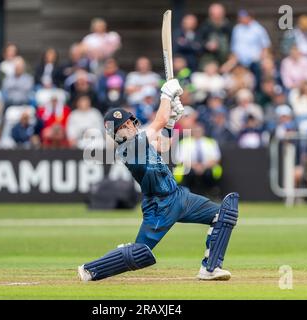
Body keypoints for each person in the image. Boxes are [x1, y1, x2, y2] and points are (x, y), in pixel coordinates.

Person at [78, 79, 239, 282]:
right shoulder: (128, 148)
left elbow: (163, 145)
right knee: (140, 253)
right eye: (123, 125)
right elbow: (159, 121)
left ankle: (210, 268)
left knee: (224, 214)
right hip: (159, 206)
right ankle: (91, 269)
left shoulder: (139, 141)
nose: (129, 125)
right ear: (117, 133)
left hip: (178, 196)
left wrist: (172, 120)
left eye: (128, 122)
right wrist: (166, 94)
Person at [176, 123, 223, 194]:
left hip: (207, 167)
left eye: (199, 130)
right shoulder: (184, 142)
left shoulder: (211, 142)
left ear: (203, 131)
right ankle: (189, 194)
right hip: (189, 167)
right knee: (189, 173)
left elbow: (216, 158)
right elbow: (181, 159)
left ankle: (209, 193)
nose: (197, 132)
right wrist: (195, 166)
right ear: (192, 131)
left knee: (208, 173)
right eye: (195, 130)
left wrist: (203, 166)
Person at [199, 3, 232, 67]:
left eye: (219, 14)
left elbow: (233, 43)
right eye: (213, 14)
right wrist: (207, 45)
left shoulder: (229, 26)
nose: (216, 16)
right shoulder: (205, 26)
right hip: (209, 60)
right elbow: (199, 41)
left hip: (226, 60)